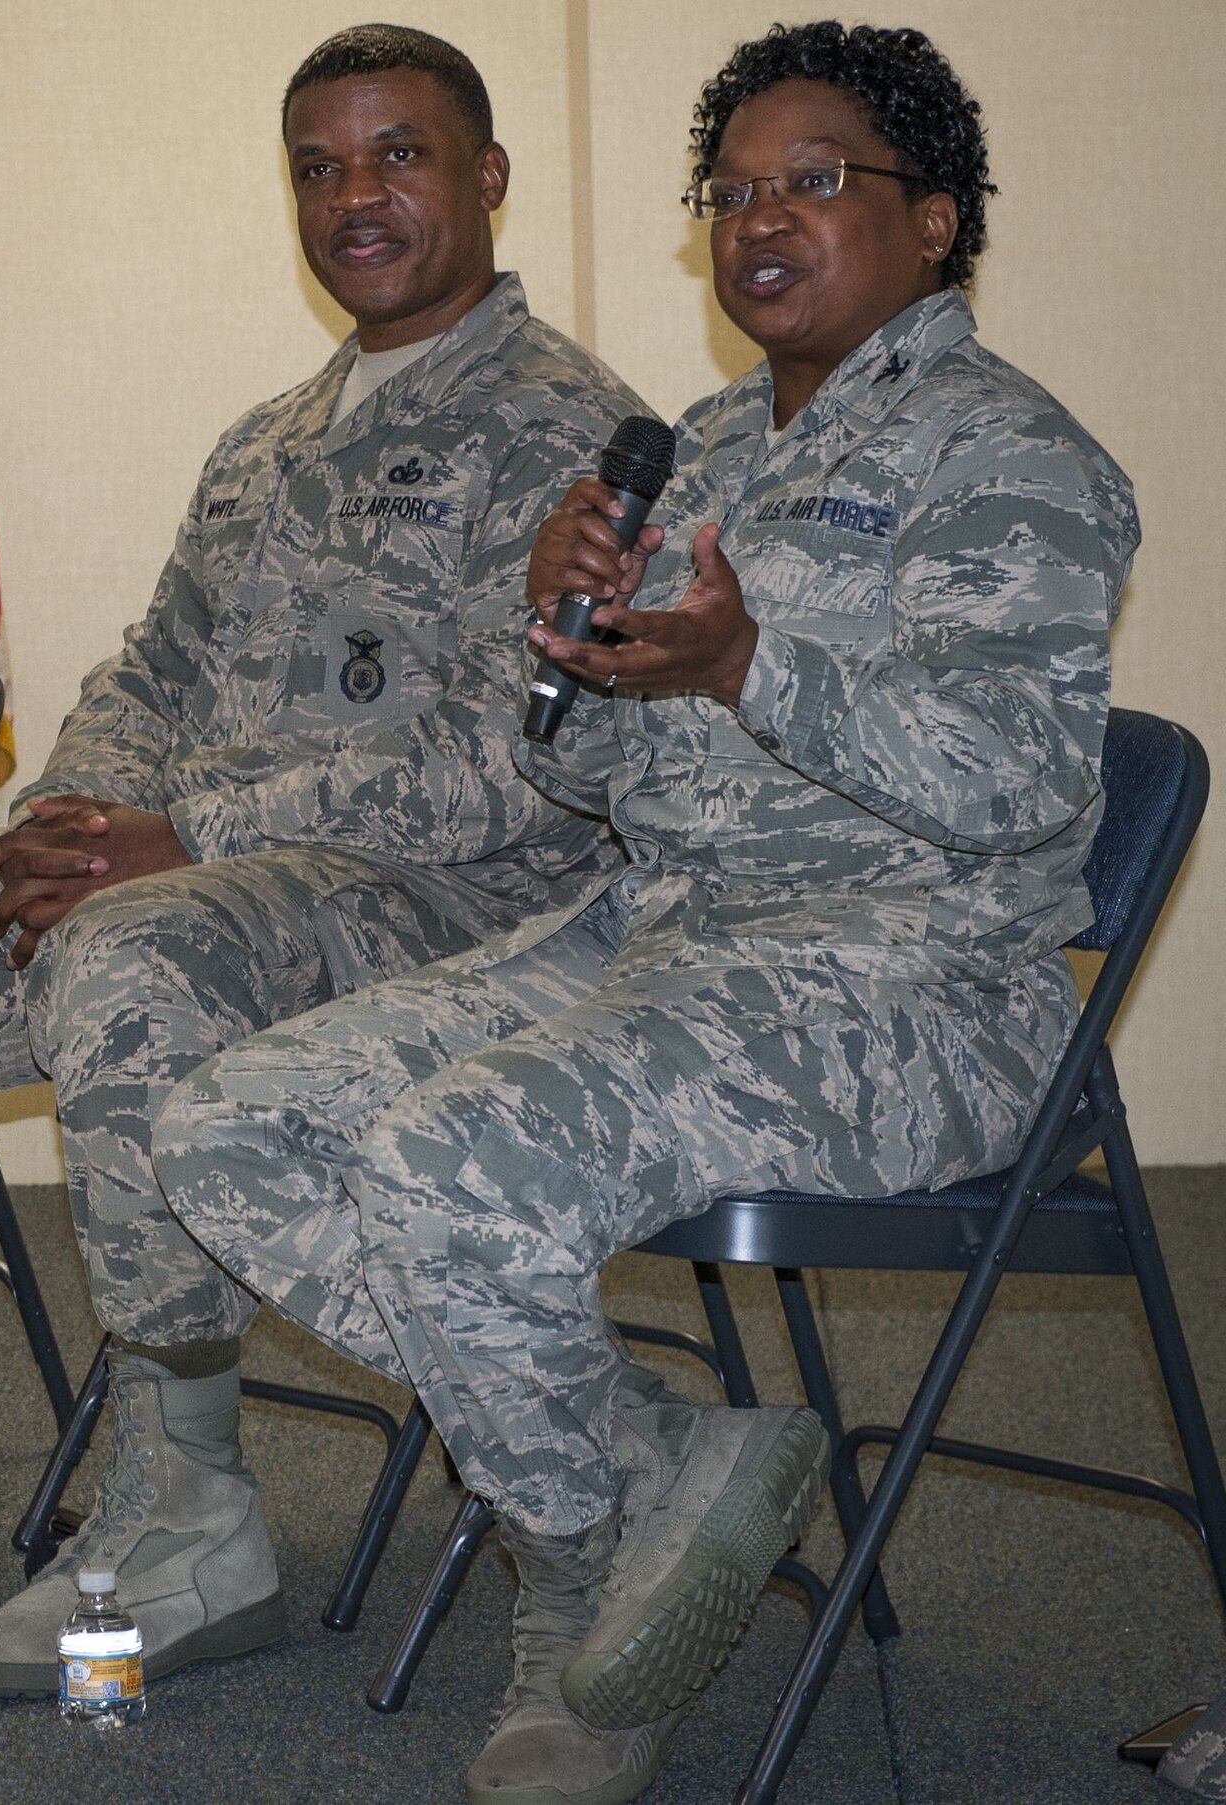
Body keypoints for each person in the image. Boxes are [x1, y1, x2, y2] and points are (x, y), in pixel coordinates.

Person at [0, 23, 643, 1686]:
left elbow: (522, 769)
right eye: (318, 166)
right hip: (179, 881)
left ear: (488, 179)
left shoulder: (572, 441)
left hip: (443, 929)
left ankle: (189, 1508)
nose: (353, 197)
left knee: (140, 954)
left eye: (399, 156)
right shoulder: (269, 438)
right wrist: (69, 824)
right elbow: (152, 669)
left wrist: (178, 841)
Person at [155, 20, 1136, 1802]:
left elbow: (1022, 784)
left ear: (936, 222)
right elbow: (600, 780)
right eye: (735, 192)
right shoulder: (691, 447)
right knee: (223, 1125)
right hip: (663, 938)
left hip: (913, 982)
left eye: (816, 182)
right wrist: (571, 655)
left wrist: (757, 663)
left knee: (453, 1161)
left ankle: (576, 1608)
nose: (762, 222)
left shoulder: (1013, 458)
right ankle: (651, 1465)